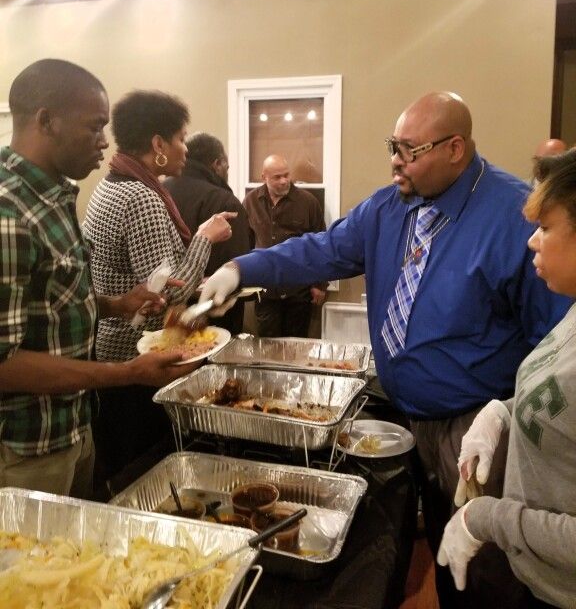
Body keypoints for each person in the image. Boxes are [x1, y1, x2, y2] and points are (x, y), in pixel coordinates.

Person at [199, 92, 571, 608]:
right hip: (405, 413)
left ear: (455, 148)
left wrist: (505, 416)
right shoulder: (387, 208)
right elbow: (321, 250)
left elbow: (549, 341)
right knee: (441, 552)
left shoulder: (511, 216)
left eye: (409, 149)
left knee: (486, 568)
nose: (395, 159)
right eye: (392, 146)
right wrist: (242, 269)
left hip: (475, 423)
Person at [0, 59, 202, 499]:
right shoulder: (8, 213)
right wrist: (125, 372)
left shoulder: (53, 194)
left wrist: (114, 303)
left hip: (74, 424)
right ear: (46, 121)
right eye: (94, 127)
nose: (105, 141)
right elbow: (3, 363)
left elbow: (50, 300)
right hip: (28, 447)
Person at [438, 148, 576, 609]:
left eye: (546, 227)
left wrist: (486, 517)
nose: (532, 242)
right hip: (537, 576)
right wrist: (503, 412)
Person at [83, 91, 235, 488]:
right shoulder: (141, 197)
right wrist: (205, 237)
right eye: (181, 138)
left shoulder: (110, 186)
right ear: (158, 145)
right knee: (140, 472)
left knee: (115, 462)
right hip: (134, 358)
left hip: (107, 351)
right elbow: (165, 296)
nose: (186, 148)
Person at [164, 132, 252, 334]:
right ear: (218, 164)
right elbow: (237, 261)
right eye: (227, 168)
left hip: (162, 312)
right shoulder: (225, 202)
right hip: (213, 315)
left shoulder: (158, 191)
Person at [242, 154, 327, 338]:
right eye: (277, 177)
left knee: (295, 348)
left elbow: (321, 244)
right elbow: (246, 243)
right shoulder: (250, 202)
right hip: (265, 291)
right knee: (267, 347)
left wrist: (319, 284)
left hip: (298, 290)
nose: (283, 181)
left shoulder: (308, 202)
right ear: (264, 177)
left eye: (286, 175)